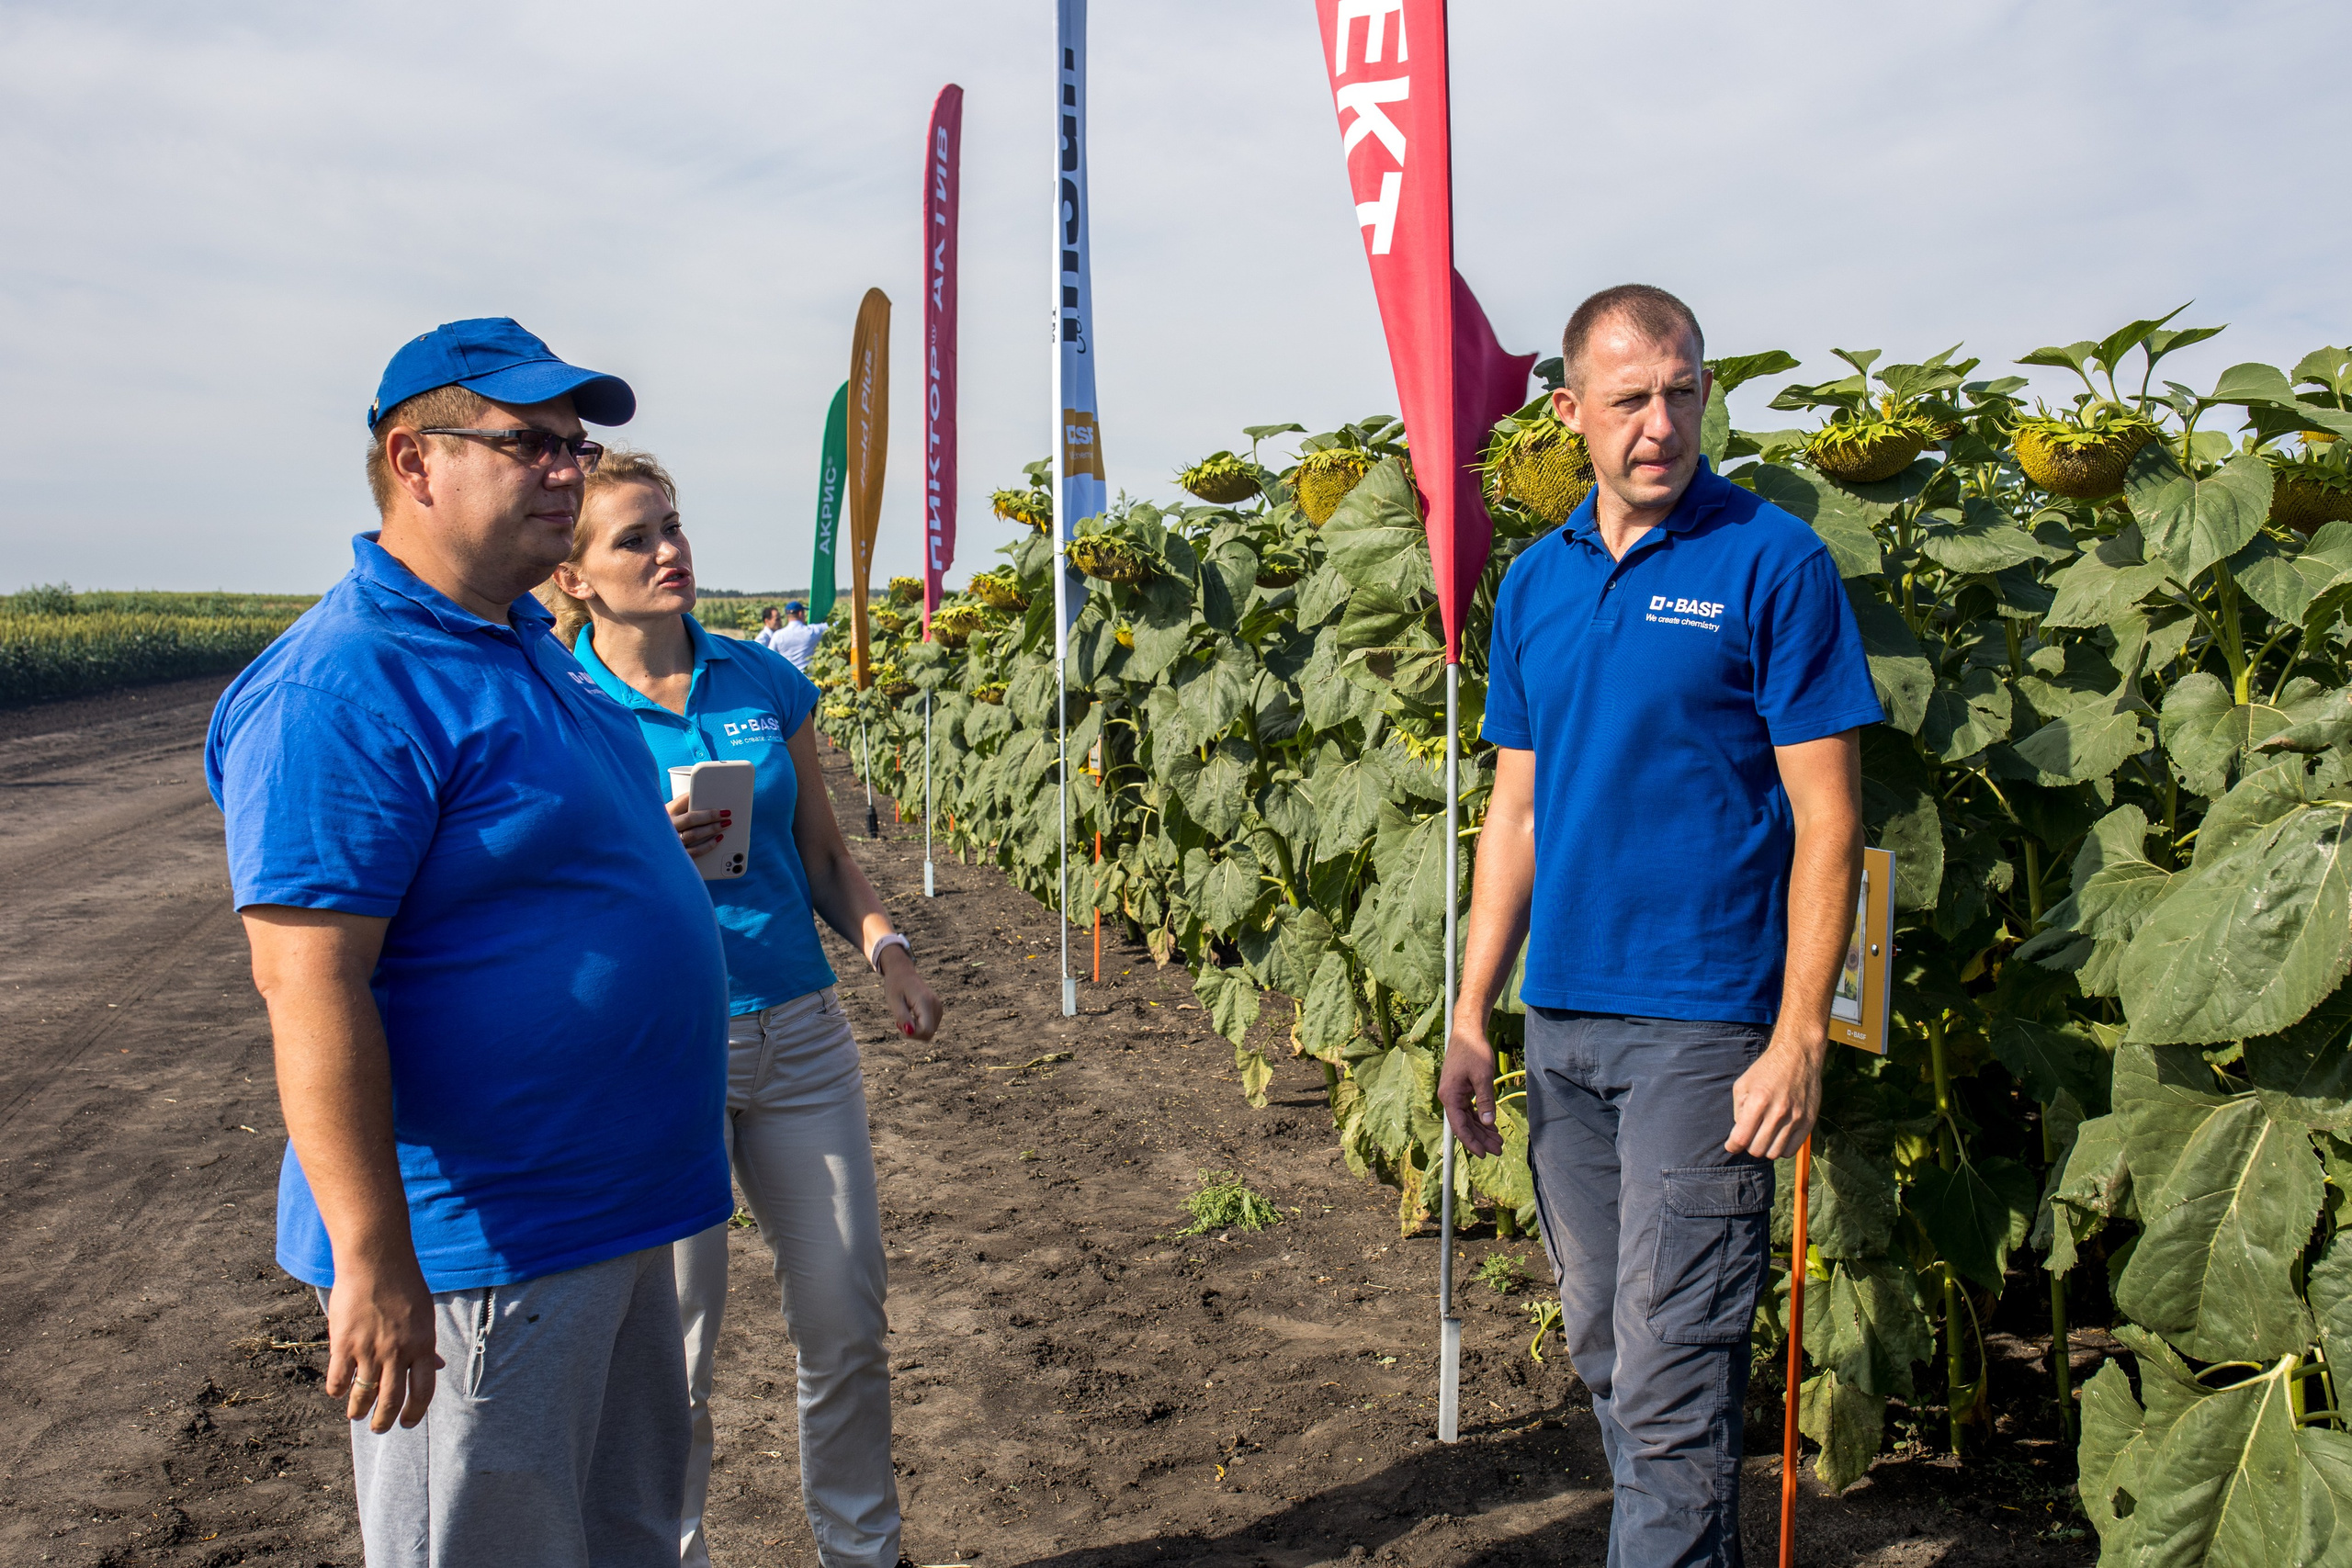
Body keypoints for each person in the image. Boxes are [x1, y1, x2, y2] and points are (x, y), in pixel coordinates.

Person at [205, 319, 732, 1567]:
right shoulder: (344, 685)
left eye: (575, 444)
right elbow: (309, 981)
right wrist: (374, 1260)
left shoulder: (511, 645)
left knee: (628, 1537)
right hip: (481, 1241)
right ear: (414, 459)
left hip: (611, 1206)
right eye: (531, 445)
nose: (567, 469)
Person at [1439, 285, 1883, 1567]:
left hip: (1706, 1030)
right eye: (1630, 397)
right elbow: (1513, 812)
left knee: (1677, 1369)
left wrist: (1799, 1029)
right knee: (1609, 1349)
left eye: (1682, 390)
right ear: (1569, 411)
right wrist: (1474, 1012)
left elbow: (1829, 819)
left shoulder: (1772, 559)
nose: (1661, 422)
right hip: (1564, 1024)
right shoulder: (1535, 583)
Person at [538, 453, 942, 1568]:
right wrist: (638, 859)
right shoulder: (566, 710)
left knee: (847, 1320)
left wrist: (887, 947)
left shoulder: (762, 685)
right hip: (661, 1056)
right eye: (633, 538)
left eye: (671, 527)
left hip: (802, 1038)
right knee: (675, 1356)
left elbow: (820, 849)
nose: (669, 551)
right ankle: (673, 1553)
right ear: (573, 578)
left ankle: (864, 1550)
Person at [767, 599, 824, 671]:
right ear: (800, 613)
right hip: (807, 678)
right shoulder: (812, 631)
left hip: (788, 677)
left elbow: (769, 657)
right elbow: (834, 625)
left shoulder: (778, 635)